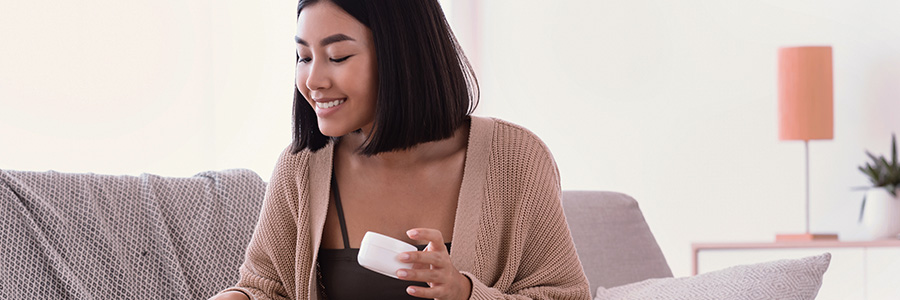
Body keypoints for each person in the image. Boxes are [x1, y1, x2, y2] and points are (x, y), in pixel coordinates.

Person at [210, 0, 590, 299]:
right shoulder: (301, 168)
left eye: (338, 56)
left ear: (401, 54)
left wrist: (464, 292)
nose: (313, 81)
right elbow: (266, 290)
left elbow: (565, 296)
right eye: (304, 57)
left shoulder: (515, 159)